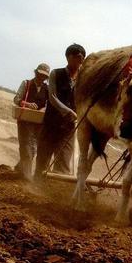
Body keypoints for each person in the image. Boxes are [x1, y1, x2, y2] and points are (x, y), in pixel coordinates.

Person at [35, 44, 86, 180]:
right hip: (51, 125)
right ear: (69, 57)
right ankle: (35, 188)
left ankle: (55, 192)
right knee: (43, 160)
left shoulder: (83, 78)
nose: (81, 61)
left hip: (68, 129)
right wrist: (68, 111)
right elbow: (52, 97)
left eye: (83, 58)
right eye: (78, 57)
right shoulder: (55, 74)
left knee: (63, 163)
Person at [13, 63, 50, 179]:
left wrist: (44, 109)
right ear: (36, 73)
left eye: (44, 76)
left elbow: (48, 104)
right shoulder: (26, 84)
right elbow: (17, 99)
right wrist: (27, 104)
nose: (41, 77)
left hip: (39, 122)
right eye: (40, 74)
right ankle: (26, 175)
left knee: (33, 148)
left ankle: (20, 168)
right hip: (25, 119)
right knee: (25, 146)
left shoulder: (47, 89)